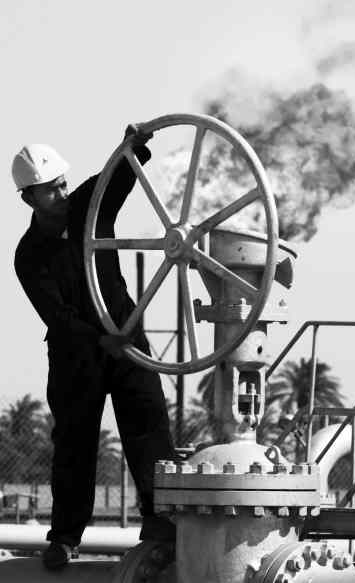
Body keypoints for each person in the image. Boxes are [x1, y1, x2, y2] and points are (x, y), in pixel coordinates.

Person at [12, 126, 177, 570]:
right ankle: (65, 538)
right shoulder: (28, 256)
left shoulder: (89, 204)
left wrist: (134, 144)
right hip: (76, 355)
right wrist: (100, 338)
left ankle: (160, 522)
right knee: (75, 442)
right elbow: (58, 317)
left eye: (63, 183)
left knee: (148, 427)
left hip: (126, 339)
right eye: (51, 189)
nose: (63, 193)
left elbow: (118, 174)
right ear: (29, 199)